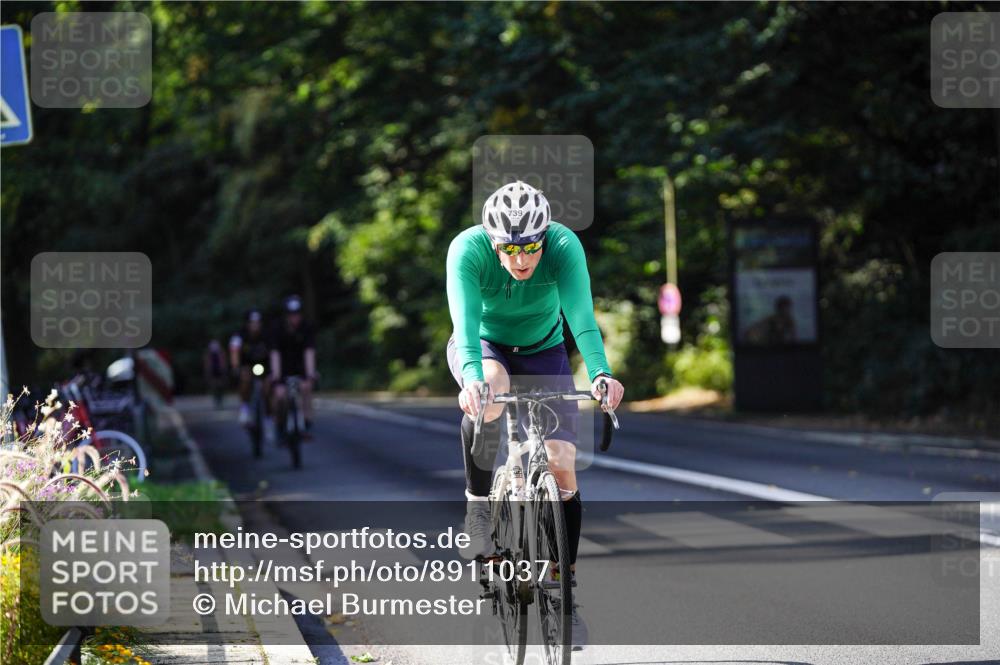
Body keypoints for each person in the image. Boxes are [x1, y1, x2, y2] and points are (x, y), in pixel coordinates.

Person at [445, 180, 625, 649]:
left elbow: (581, 318)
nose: (521, 259)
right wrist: (471, 380)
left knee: (563, 461)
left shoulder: (564, 247)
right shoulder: (467, 250)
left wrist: (602, 373)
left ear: (544, 238)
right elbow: (463, 325)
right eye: (510, 248)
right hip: (484, 348)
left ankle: (564, 593)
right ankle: (479, 507)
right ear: (493, 241)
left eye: (530, 247)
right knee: (491, 389)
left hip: (545, 350)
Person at [269, 295, 317, 441]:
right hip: (282, 368)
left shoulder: (306, 327)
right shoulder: (278, 328)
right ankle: (279, 427)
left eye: (297, 314)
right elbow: (275, 353)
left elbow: (309, 352)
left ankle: (306, 421)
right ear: (287, 315)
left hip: (300, 367)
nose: (295, 318)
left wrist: (310, 374)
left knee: (306, 388)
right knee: (279, 397)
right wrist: (276, 378)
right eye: (292, 315)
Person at [229, 309, 271, 426]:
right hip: (246, 365)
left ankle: (269, 417)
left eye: (257, 322)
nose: (255, 325)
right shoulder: (239, 335)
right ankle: (245, 408)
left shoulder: (266, 335)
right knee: (245, 379)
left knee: (268, 388)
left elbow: (274, 352)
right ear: (247, 323)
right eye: (252, 322)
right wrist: (236, 366)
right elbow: (234, 351)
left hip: (264, 366)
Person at [203, 339, 228, 408]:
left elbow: (224, 363)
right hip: (213, 373)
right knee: (215, 387)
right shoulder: (208, 355)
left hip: (220, 372)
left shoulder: (221, 353)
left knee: (220, 387)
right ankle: (216, 401)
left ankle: (220, 401)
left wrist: (224, 371)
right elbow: (207, 365)